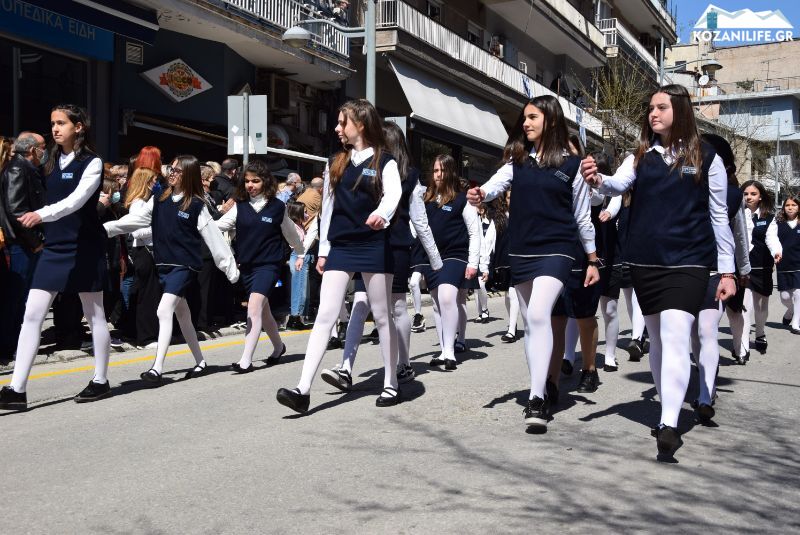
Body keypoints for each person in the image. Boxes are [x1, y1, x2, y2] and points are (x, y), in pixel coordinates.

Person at [581, 84, 736, 456]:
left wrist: (727, 271)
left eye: (661, 107)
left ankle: (668, 424)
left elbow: (719, 216)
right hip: (645, 261)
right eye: (650, 108)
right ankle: (669, 405)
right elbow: (616, 185)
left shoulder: (707, 156)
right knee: (658, 340)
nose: (653, 114)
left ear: (679, 110)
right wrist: (597, 179)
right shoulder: (640, 156)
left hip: (689, 261)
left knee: (676, 334)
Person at [468, 95, 598, 430]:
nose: (525, 123)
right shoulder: (518, 161)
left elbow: (583, 217)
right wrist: (480, 194)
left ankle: (537, 397)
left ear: (550, 121)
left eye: (532, 117)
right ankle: (541, 385)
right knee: (531, 323)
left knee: (539, 314)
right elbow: (493, 186)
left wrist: (592, 258)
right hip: (522, 250)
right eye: (524, 118)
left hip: (558, 249)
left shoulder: (573, 166)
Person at [275, 99, 402, 413]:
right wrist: (324, 251)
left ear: (361, 124)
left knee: (382, 315)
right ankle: (303, 389)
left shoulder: (384, 161)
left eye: (343, 122)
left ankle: (391, 382)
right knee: (325, 315)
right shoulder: (335, 161)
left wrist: (382, 214)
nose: (337, 128)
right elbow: (328, 209)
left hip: (373, 244)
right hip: (342, 246)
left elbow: (394, 193)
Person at [0, 105, 112, 410]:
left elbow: (76, 201)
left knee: (95, 315)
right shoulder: (47, 160)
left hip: (84, 246)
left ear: (79, 127)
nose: (55, 128)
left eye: (61, 123)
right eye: (52, 123)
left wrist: (41, 215)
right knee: (32, 315)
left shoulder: (92, 162)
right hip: (54, 247)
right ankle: (16, 389)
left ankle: (101, 379)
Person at [319, 120, 441, 390]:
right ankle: (348, 367)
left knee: (391, 306)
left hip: (392, 247)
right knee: (367, 303)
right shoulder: (369, 168)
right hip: (371, 245)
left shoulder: (406, 175)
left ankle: (401, 364)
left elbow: (420, 222)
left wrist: (435, 260)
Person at [103, 155, 239, 384]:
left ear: (188, 175)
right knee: (183, 316)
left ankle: (156, 368)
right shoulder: (159, 198)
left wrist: (230, 269)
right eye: (171, 169)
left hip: (184, 266)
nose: (171, 173)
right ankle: (200, 361)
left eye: (176, 170)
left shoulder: (196, 205)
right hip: (163, 265)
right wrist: (107, 228)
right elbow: (137, 220)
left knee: (164, 310)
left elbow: (214, 238)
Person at [214, 160, 304, 372]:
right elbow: (219, 226)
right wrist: (198, 225)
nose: (250, 185)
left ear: (265, 181)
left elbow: (291, 233)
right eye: (247, 181)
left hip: (269, 266)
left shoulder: (277, 207)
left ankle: (245, 360)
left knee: (253, 308)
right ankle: (279, 347)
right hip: (247, 266)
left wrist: (300, 253)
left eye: (255, 181)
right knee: (264, 313)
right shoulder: (240, 206)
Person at [689, 132, 751, 423]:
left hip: (714, 270)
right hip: (689, 268)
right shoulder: (683, 184)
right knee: (702, 332)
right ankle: (706, 391)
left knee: (703, 331)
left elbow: (739, 235)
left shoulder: (733, 195)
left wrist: (743, 269)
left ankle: (705, 393)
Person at [420, 154, 480, 371]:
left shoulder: (462, 200)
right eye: (436, 171)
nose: (438, 175)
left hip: (455, 255)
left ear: (451, 172)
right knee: (437, 304)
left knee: (447, 298)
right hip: (432, 257)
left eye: (443, 170)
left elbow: (475, 233)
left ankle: (451, 351)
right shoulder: (426, 199)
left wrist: (473, 263)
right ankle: (444, 349)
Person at [0, 132, 46, 363]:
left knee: (21, 297)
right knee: (16, 297)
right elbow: (16, 210)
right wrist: (35, 243)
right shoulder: (18, 169)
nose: (45, 152)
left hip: (25, 244)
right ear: (32, 150)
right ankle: (8, 346)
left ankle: (14, 343)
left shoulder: (27, 169)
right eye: (42, 147)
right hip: (21, 245)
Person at [736, 180, 781, 357]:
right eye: (745, 194)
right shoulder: (736, 213)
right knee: (745, 306)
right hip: (743, 268)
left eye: (753, 194)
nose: (749, 197)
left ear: (760, 196)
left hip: (763, 267)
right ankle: (743, 344)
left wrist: (776, 251)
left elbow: (772, 238)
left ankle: (760, 332)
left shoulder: (768, 217)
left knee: (761, 306)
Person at [287, 177, 323, 328]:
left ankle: (298, 317)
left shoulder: (299, 226)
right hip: (299, 257)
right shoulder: (296, 228)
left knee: (302, 288)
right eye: (305, 212)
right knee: (300, 289)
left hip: (300, 256)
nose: (308, 215)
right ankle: (295, 318)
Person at [776, 194, 799, 334]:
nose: (790, 208)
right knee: (785, 297)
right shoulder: (778, 225)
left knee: (798, 294)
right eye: (787, 205)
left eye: (794, 205)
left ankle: (796, 323)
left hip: (798, 266)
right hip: (783, 266)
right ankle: (790, 311)